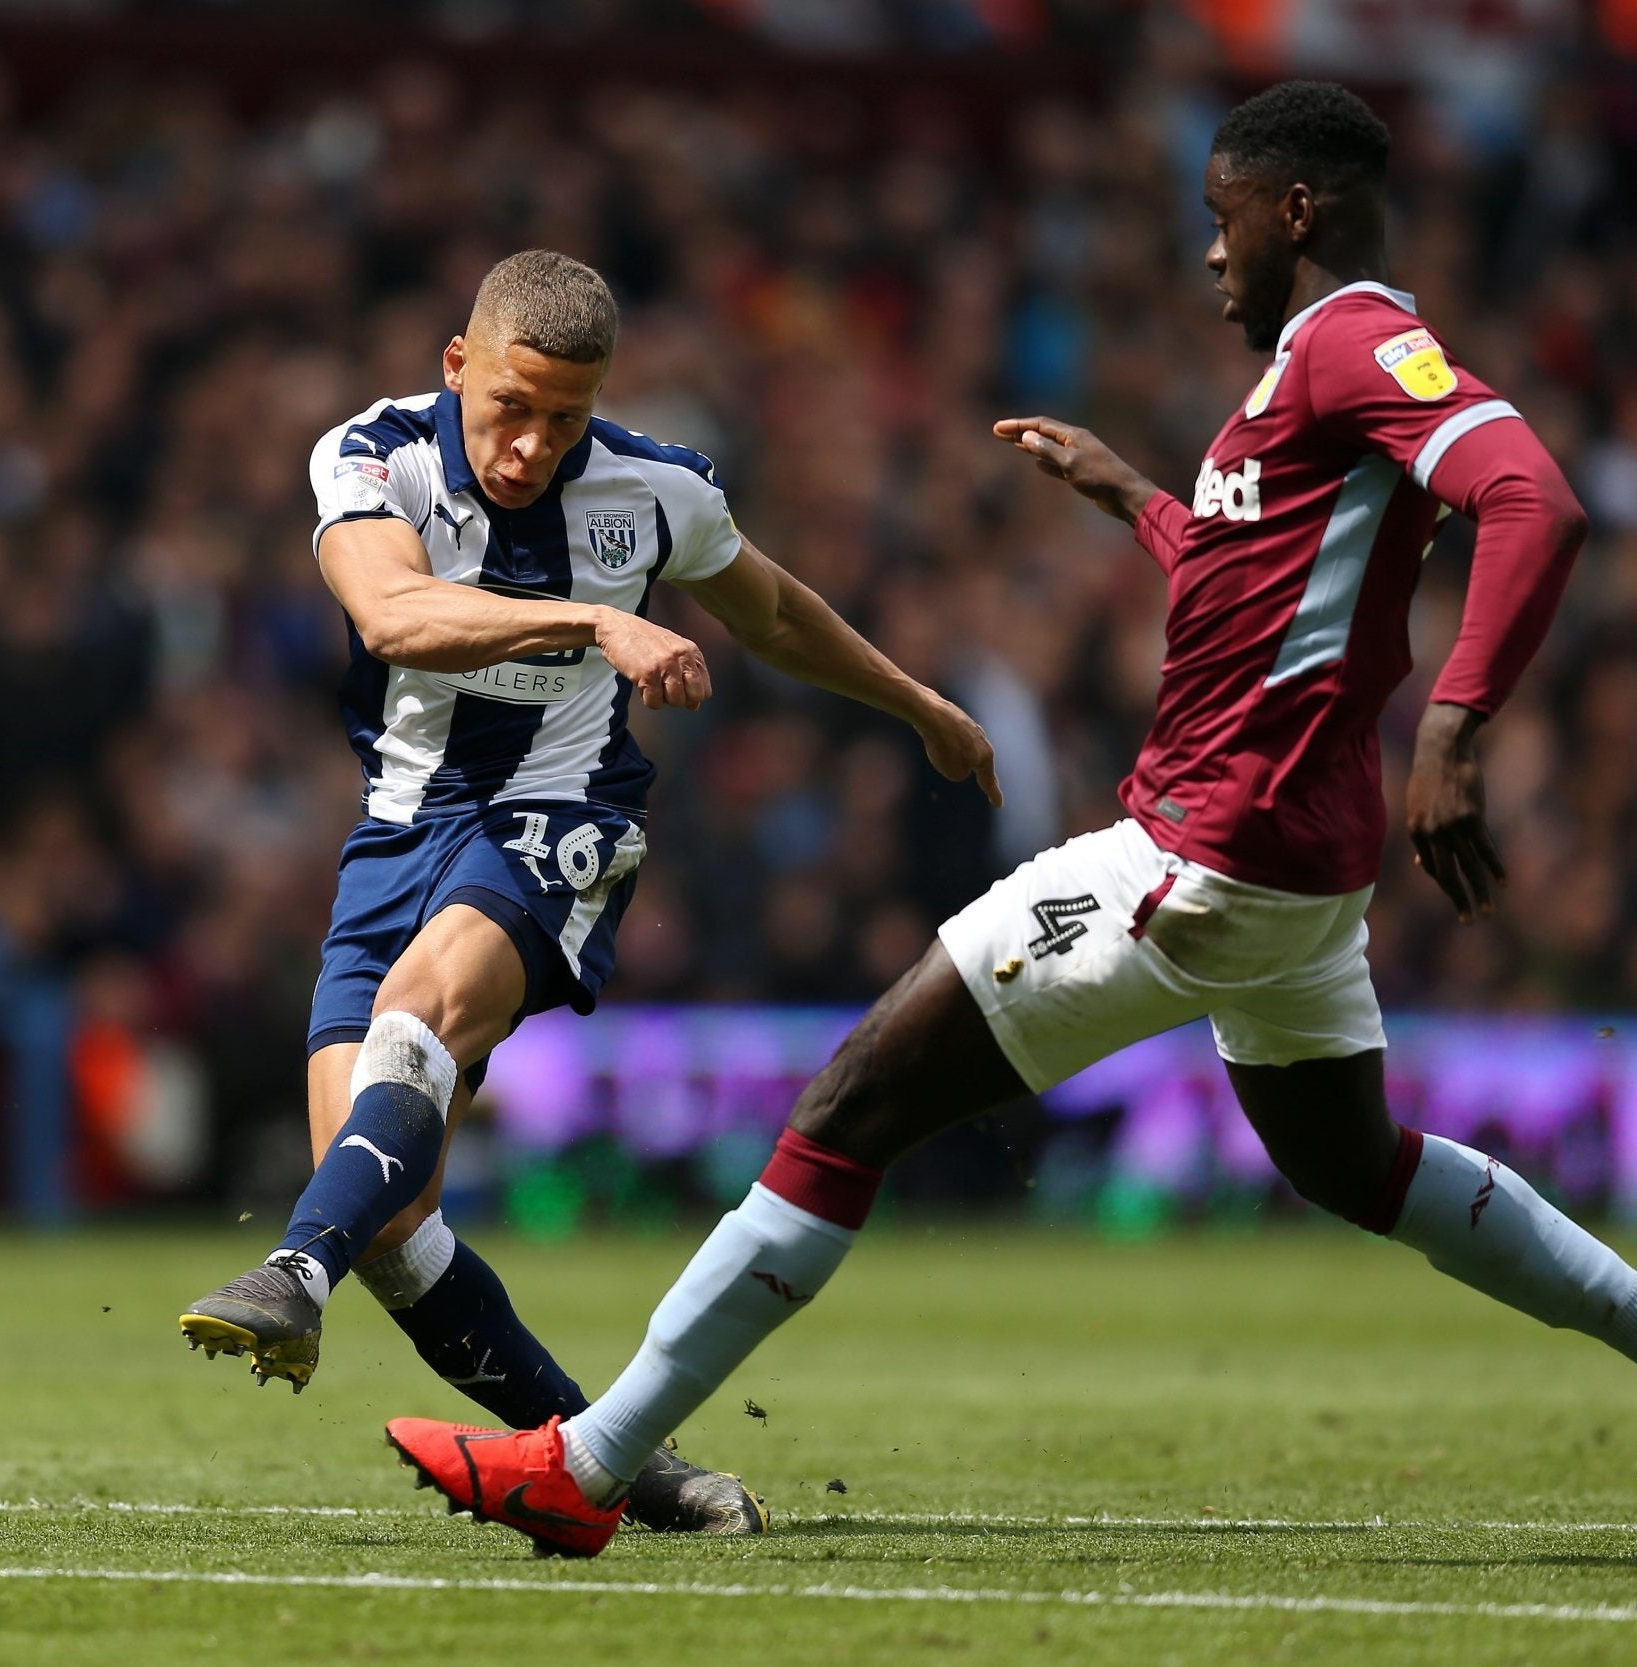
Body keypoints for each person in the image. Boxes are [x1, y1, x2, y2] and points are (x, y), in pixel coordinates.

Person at [385, 81, 1606, 1558]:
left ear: (1295, 211)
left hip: (1199, 852)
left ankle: (585, 1462)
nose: (1206, 252)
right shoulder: (1305, 367)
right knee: (1354, 1164)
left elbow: (1528, 495)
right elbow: (1270, 582)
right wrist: (1141, 501)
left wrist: (1460, 726)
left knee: (850, 1106)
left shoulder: (1354, 340)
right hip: (1290, 873)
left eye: (1221, 219)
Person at [178, 249, 1000, 1534]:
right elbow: (391, 614)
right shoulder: (371, 455)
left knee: (419, 1017)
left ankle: (289, 1270)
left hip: (562, 816)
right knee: (391, 1215)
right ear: (457, 365)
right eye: (510, 407)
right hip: (396, 833)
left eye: (564, 418)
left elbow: (772, 612)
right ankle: (622, 1466)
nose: (530, 445)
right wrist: (591, 621)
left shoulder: (652, 488)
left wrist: (913, 701)